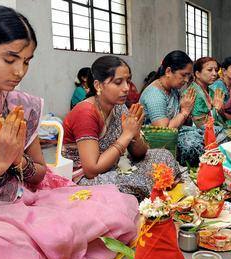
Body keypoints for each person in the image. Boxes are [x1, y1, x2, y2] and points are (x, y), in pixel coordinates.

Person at [0, 6, 139, 259]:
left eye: (27, 61)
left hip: (18, 202)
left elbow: (39, 174)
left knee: (106, 211)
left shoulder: (21, 104)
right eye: (10, 59)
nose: (20, 71)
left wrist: (17, 160)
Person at [62, 55, 180, 202]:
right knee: (133, 181)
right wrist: (126, 135)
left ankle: (156, 191)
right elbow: (91, 170)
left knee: (163, 156)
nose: (126, 88)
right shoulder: (86, 112)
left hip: (112, 165)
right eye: (118, 82)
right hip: (84, 179)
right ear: (98, 86)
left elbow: (139, 154)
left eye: (128, 81)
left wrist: (135, 134)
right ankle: (153, 194)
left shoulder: (119, 107)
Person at [140, 50, 208, 166]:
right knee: (194, 146)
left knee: (211, 134)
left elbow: (181, 122)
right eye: (183, 75)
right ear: (168, 71)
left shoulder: (173, 89)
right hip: (156, 143)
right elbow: (163, 132)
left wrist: (186, 111)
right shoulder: (155, 94)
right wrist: (184, 112)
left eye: (188, 76)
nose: (186, 80)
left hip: (175, 134)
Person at [185, 56, 231, 141]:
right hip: (197, 133)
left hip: (214, 128)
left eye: (215, 70)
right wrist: (215, 109)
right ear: (197, 74)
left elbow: (219, 113)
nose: (215, 73)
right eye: (209, 70)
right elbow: (199, 123)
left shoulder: (210, 90)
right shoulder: (192, 92)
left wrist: (219, 110)